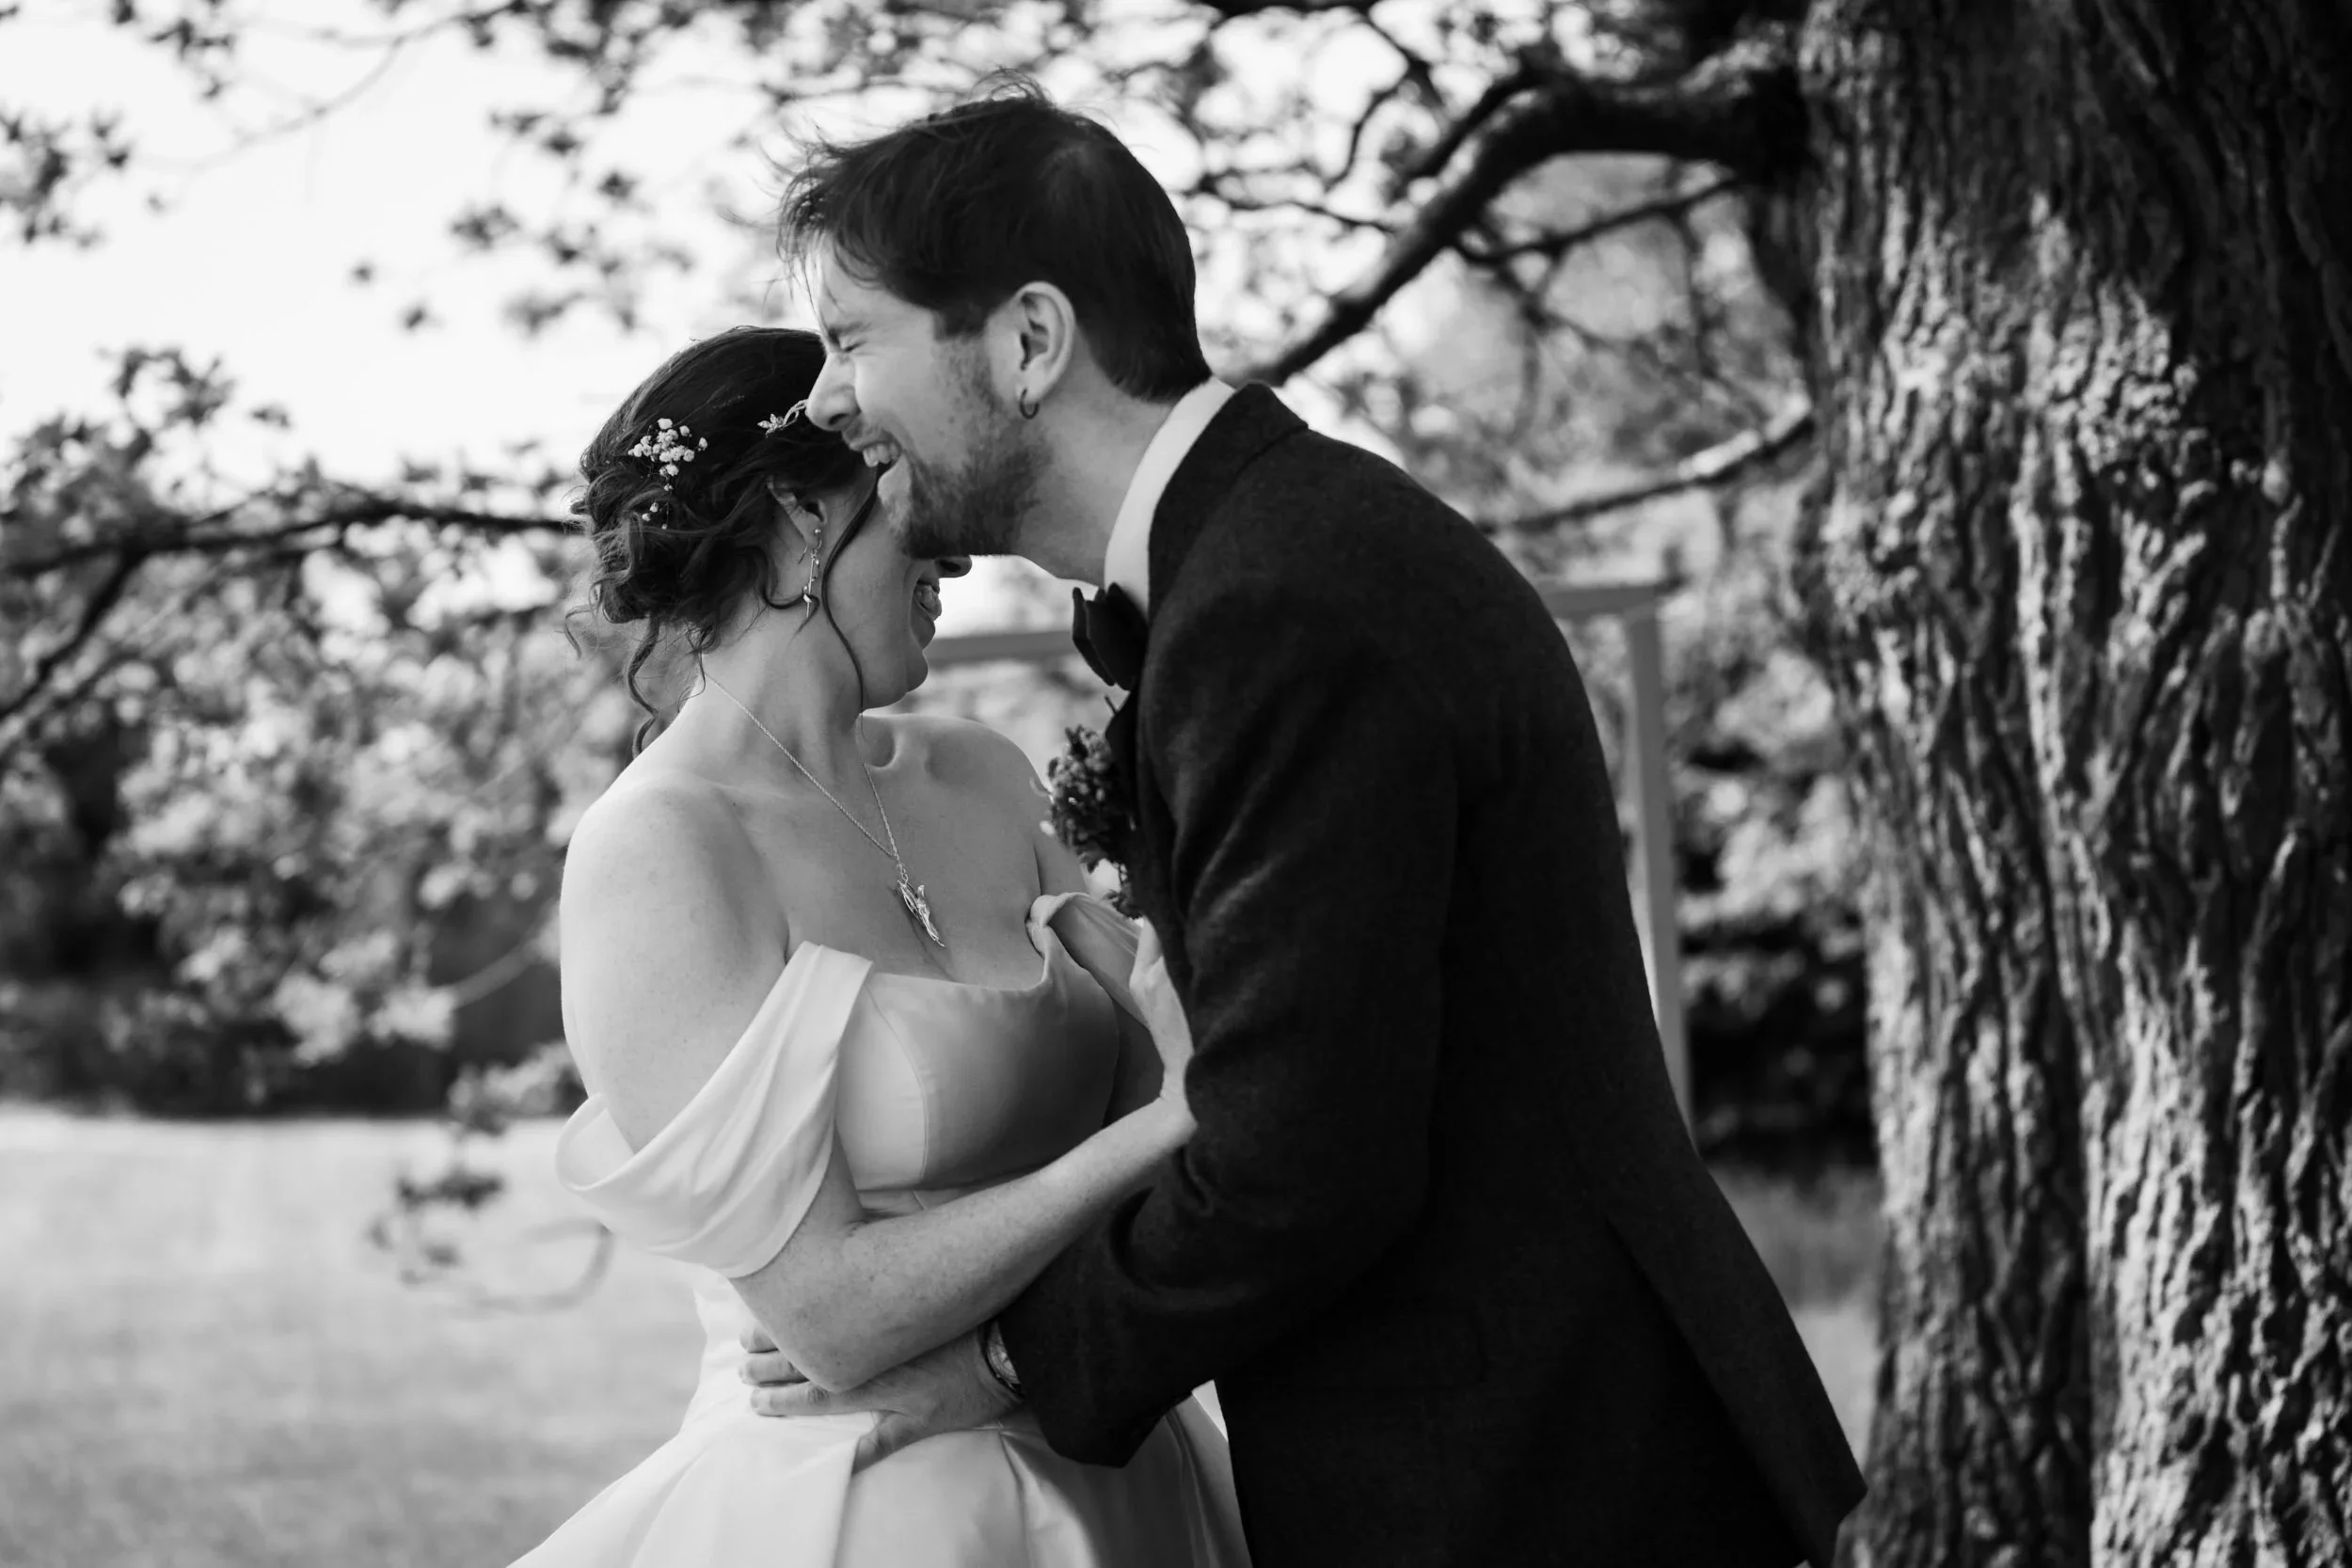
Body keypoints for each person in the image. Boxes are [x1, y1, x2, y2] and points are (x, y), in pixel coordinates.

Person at [751, 81, 1869, 1568]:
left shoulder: (1278, 603)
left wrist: (1001, 1364)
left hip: (1536, 1473)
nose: (826, 401)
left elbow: (1297, 1159)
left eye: (852, 341)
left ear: (1029, 341)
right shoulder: (1267, 554)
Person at [511, 325, 1250, 1567]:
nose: (950, 540)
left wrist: (1175, 1112)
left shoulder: (985, 777)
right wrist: (1164, 1124)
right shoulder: (661, 851)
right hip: (867, 1510)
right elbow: (830, 1320)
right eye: (894, 478)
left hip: (1126, 1476)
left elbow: (1190, 1078)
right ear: (802, 517)